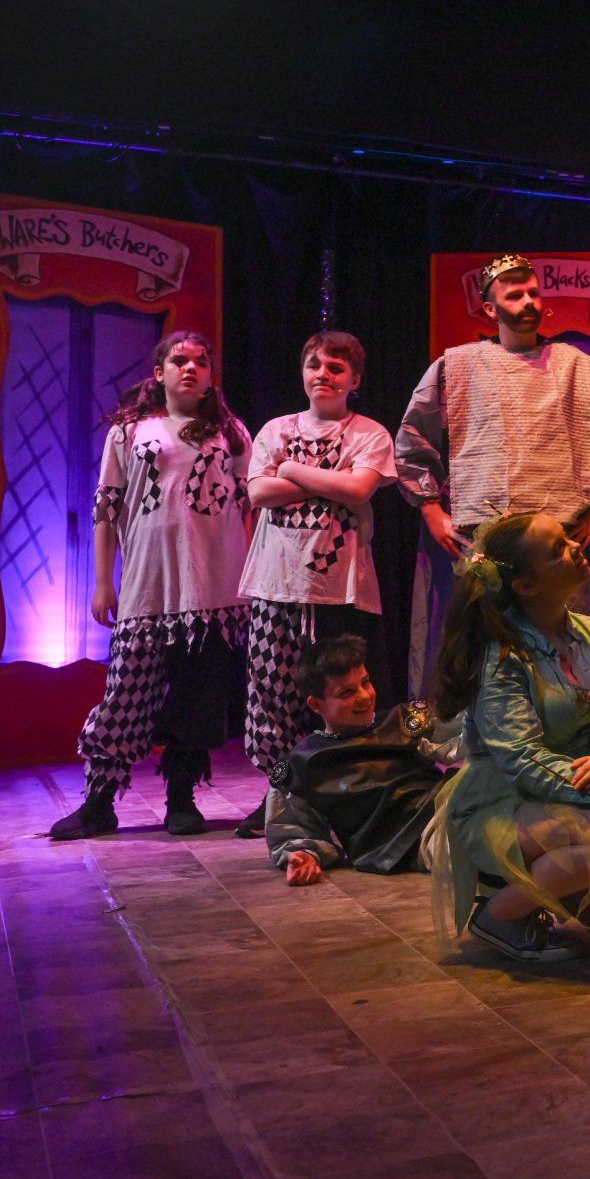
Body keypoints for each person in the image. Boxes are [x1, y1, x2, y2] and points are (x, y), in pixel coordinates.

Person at [431, 512, 590, 963]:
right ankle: (499, 915)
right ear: (526, 585)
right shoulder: (503, 654)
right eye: (557, 550)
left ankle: (559, 885)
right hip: (507, 798)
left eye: (567, 538)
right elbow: (522, 758)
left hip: (580, 790)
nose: (575, 547)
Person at [396, 254, 590, 695]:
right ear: (490, 308)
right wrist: (430, 509)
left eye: (534, 293)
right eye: (515, 295)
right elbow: (413, 441)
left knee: (559, 646)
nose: (529, 302)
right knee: (482, 650)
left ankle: (570, 724)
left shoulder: (578, 367)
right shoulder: (457, 365)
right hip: (483, 535)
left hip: (559, 535)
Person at [51, 332, 251, 841]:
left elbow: (253, 507)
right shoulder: (129, 431)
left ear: (211, 376)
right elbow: (106, 509)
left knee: (195, 698)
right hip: (147, 586)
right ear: (159, 373)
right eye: (179, 360)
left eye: (201, 361)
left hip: (212, 593)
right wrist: (103, 582)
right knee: (126, 695)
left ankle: (181, 798)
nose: (191, 368)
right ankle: (99, 803)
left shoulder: (230, 434)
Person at [237, 331, 398, 838]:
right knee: (272, 697)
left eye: (335, 367)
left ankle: (339, 793)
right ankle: (279, 794)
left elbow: (359, 488)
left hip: (338, 590)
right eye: (314, 364)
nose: (323, 374)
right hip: (275, 584)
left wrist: (289, 468)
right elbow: (259, 493)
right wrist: (325, 479)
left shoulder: (369, 432)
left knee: (340, 692)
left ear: (355, 380)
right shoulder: (275, 429)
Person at [265, 635, 455, 885]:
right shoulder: (302, 764)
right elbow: (290, 829)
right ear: (316, 705)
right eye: (347, 692)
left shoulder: (405, 720)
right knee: (482, 843)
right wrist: (303, 855)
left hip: (452, 803)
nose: (364, 696)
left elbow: (471, 733)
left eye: (365, 682)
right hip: (418, 838)